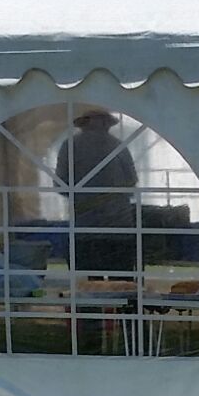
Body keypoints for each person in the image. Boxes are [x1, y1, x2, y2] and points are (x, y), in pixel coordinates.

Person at [56, 109, 138, 274]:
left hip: (85, 226)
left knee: (89, 284)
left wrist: (83, 198)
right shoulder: (118, 145)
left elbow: (60, 183)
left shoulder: (69, 146)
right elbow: (132, 180)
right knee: (122, 280)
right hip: (118, 226)